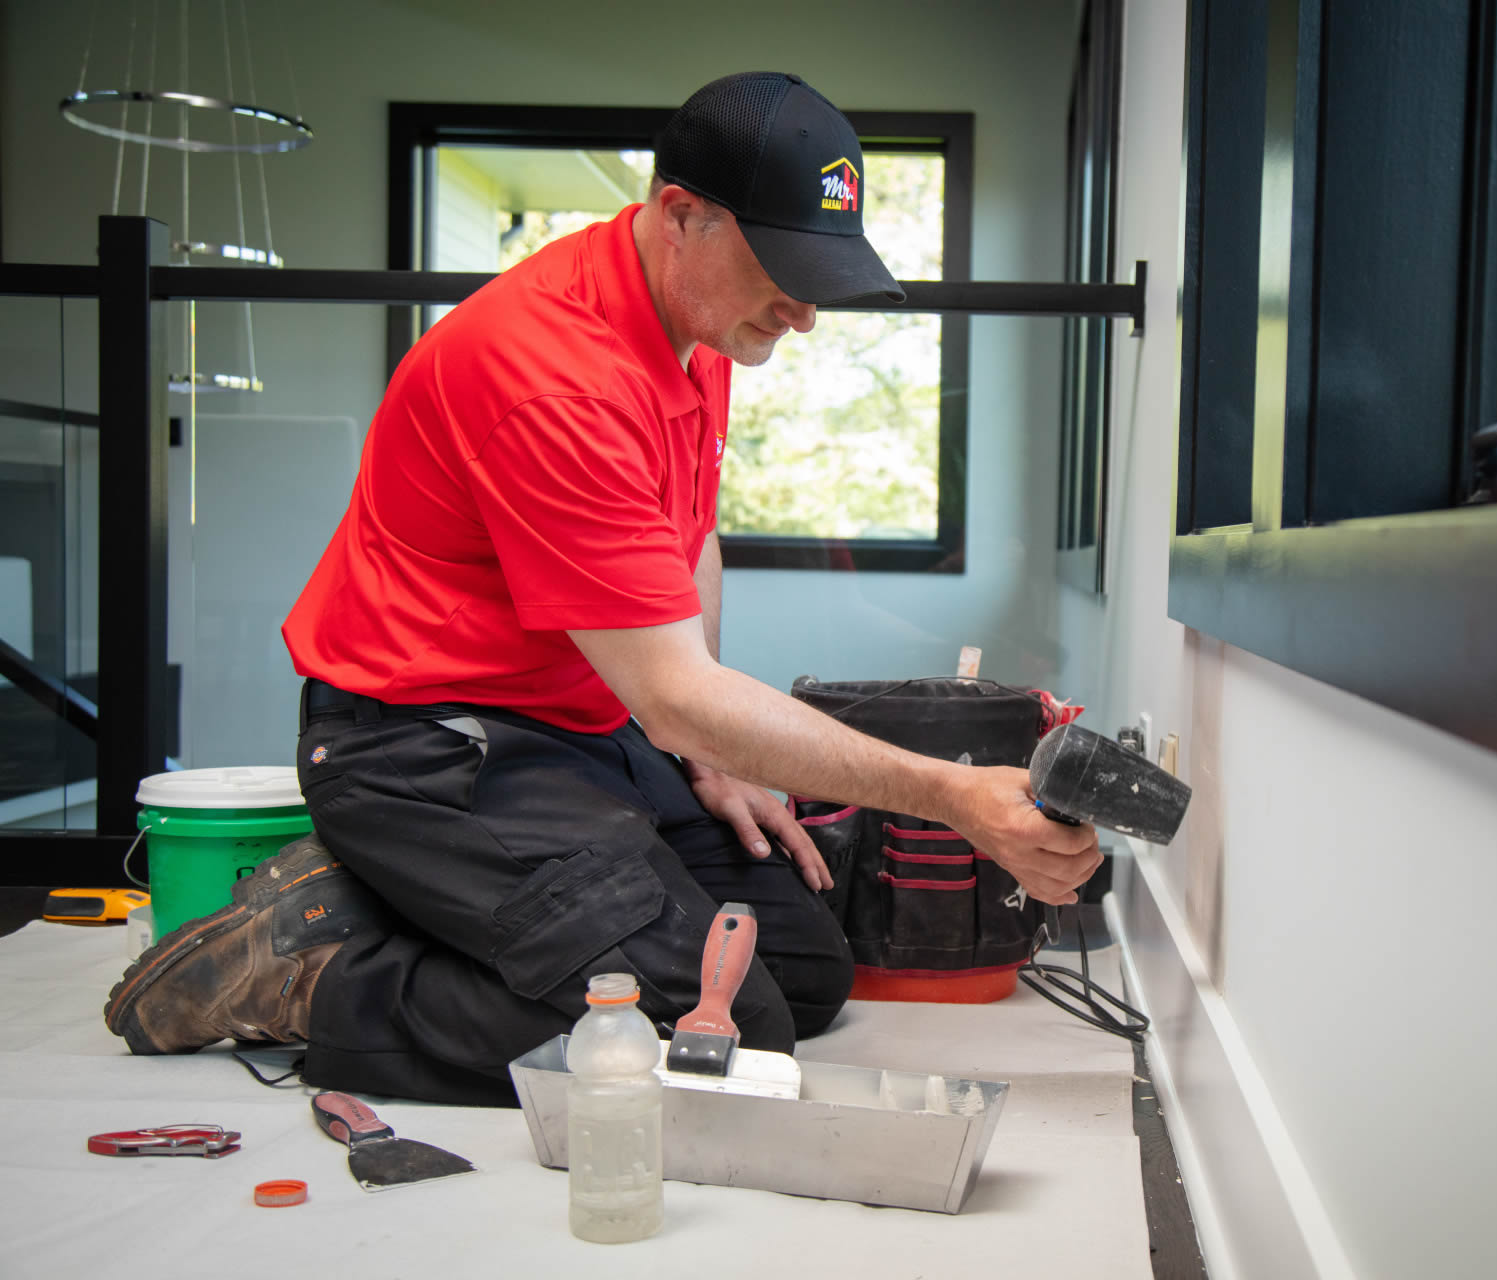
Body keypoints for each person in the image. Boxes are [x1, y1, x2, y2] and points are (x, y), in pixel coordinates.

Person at [102, 71, 1102, 1105]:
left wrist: (707, 745)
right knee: (719, 1028)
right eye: (787, 272)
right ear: (682, 216)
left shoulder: (698, 324)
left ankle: (424, 904)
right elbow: (669, 689)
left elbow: (690, 539)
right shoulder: (554, 376)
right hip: (425, 746)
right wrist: (953, 796)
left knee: (800, 971)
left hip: (578, 727)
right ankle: (319, 970)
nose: (804, 314)